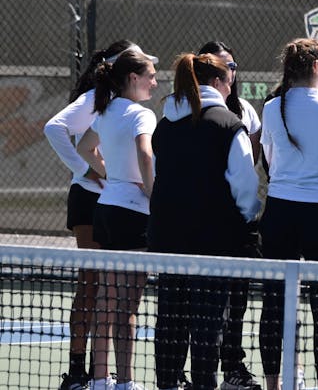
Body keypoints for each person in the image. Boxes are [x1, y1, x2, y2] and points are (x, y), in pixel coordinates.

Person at [149, 53, 261, 390]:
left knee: (170, 320)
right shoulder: (228, 125)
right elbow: (245, 187)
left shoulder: (164, 125)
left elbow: (159, 177)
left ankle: (167, 384)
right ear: (217, 82)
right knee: (208, 324)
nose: (231, 88)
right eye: (229, 81)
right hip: (214, 244)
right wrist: (243, 221)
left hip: (169, 241)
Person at [259, 38, 318, 390]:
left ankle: (274, 384)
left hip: (280, 212)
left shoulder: (271, 107)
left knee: (274, 301)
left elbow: (268, 158)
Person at [44, 40, 139, 390]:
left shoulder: (122, 105)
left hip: (112, 201)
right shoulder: (93, 100)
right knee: (91, 285)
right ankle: (76, 371)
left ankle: (105, 374)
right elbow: (53, 128)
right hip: (88, 199)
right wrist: (83, 171)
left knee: (110, 289)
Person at [76, 48, 159, 390]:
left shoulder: (107, 111)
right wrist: (154, 194)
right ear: (133, 79)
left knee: (107, 300)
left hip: (106, 210)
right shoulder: (142, 115)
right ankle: (124, 382)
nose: (155, 82)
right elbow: (145, 153)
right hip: (132, 215)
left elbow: (84, 148)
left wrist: (113, 175)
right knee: (127, 305)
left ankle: (99, 380)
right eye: (151, 76)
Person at [196, 41, 263, 390]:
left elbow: (247, 163)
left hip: (234, 225)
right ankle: (188, 374)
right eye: (224, 67)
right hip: (201, 226)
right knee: (199, 306)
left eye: (233, 66)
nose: (230, 73)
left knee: (236, 300)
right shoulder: (183, 110)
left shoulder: (245, 112)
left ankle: (233, 368)